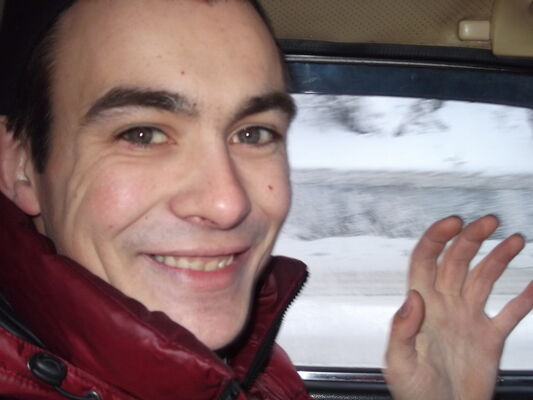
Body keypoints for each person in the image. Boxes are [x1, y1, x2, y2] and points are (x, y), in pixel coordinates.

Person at [0, 1, 530, 399]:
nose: (228, 204)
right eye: (143, 134)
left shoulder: (250, 371)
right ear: (20, 164)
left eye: (253, 133)